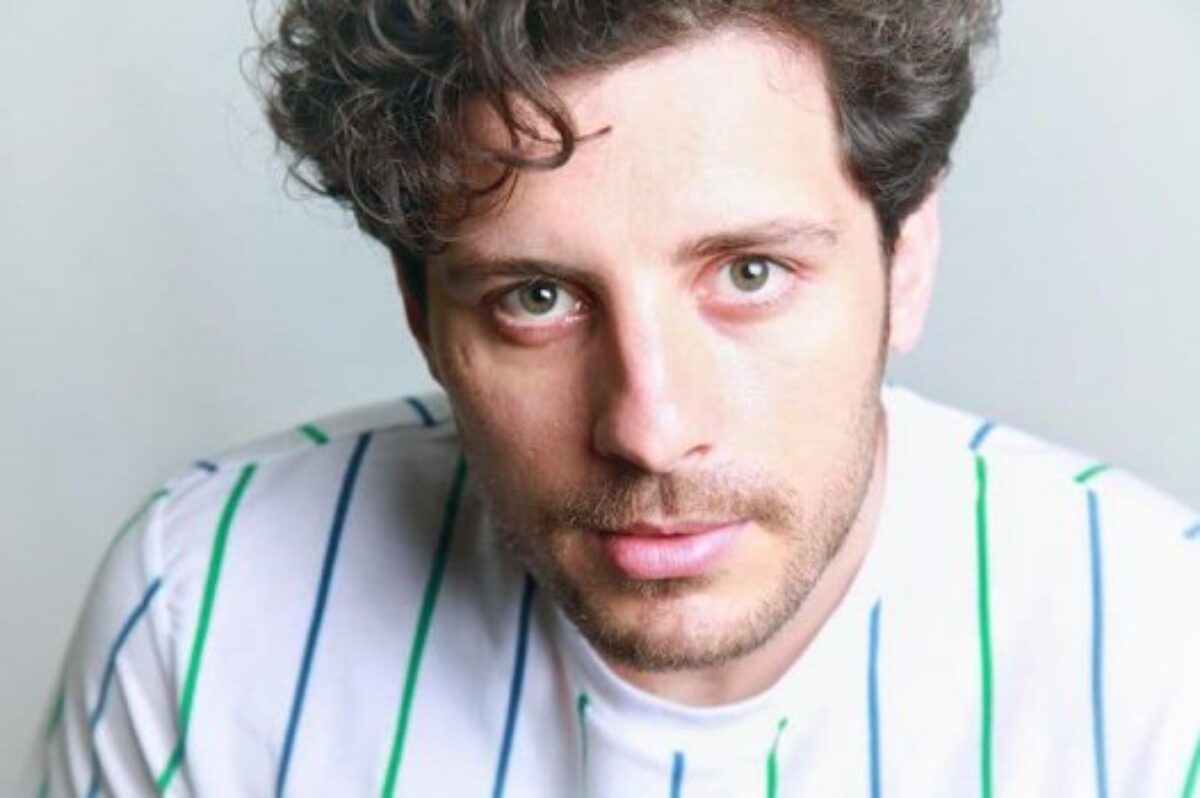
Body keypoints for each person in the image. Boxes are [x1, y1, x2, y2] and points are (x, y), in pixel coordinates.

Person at [26, 1, 1198, 795]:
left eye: (750, 275)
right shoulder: (206, 613)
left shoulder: (1164, 662)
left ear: (908, 264)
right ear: (420, 312)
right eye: (536, 298)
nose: (650, 428)